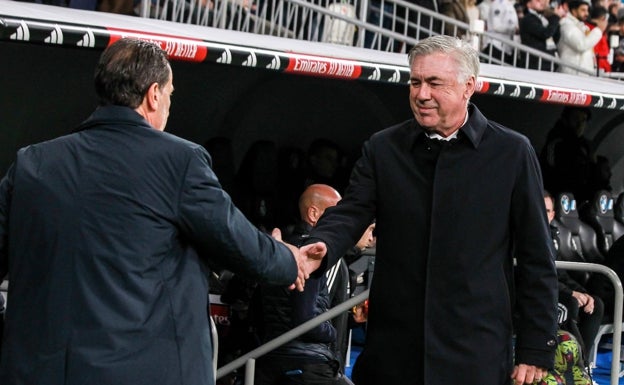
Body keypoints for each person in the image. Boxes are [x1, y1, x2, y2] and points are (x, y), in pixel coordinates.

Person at [0, 38, 307, 385]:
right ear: (153, 94)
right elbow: (240, 244)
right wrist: (289, 260)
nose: (169, 105)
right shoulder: (180, 162)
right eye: (171, 94)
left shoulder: (31, 164)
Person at [299, 35, 559, 385]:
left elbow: (536, 257)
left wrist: (536, 348)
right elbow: (350, 212)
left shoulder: (512, 153)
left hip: (474, 353)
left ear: (469, 86)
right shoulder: (383, 148)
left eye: (435, 83)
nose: (421, 94)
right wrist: (323, 245)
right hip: (393, 352)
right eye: (415, 82)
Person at [254, 184, 353, 385]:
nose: (341, 221)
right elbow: (305, 317)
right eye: (335, 212)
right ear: (313, 213)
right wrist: (331, 333)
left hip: (271, 361)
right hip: (310, 366)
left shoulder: (280, 250)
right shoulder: (316, 254)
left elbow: (256, 311)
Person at [544, 190, 604, 361]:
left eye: (547, 211)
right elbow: (537, 278)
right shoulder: (524, 237)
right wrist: (570, 293)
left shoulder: (552, 237)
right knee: (570, 303)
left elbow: (560, 273)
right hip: (535, 294)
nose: (543, 215)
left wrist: (582, 292)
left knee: (595, 303)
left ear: (553, 214)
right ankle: (574, 366)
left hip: (555, 290)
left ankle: (582, 365)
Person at [539, 106, 597, 203]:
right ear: (565, 120)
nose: (580, 124)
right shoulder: (556, 143)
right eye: (575, 119)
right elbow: (551, 173)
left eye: (583, 120)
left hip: (581, 201)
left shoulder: (585, 146)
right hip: (560, 200)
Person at [557, 0, 607, 75]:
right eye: (583, 10)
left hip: (582, 75)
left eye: (587, 10)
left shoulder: (582, 26)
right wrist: (599, 30)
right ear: (574, 10)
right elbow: (581, 45)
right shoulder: (566, 26)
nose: (586, 13)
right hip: (570, 75)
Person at [519, 0, 564, 70]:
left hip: (548, 63)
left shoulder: (544, 18)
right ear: (528, 4)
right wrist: (556, 17)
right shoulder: (528, 19)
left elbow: (555, 38)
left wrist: (554, 17)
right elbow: (545, 33)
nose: (542, 2)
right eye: (537, 0)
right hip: (535, 65)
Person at [586, 5, 612, 73]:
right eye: (606, 21)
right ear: (602, 19)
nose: (607, 24)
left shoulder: (600, 32)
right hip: (598, 71)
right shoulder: (592, 32)